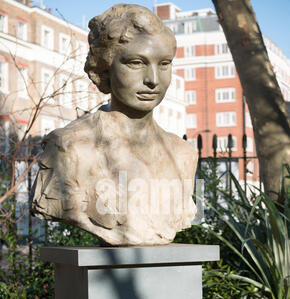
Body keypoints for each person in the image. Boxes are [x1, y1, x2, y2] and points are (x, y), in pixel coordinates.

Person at [31, 4, 198, 246]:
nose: (153, 79)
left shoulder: (184, 155)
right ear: (106, 67)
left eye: (164, 64)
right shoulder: (70, 148)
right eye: (136, 63)